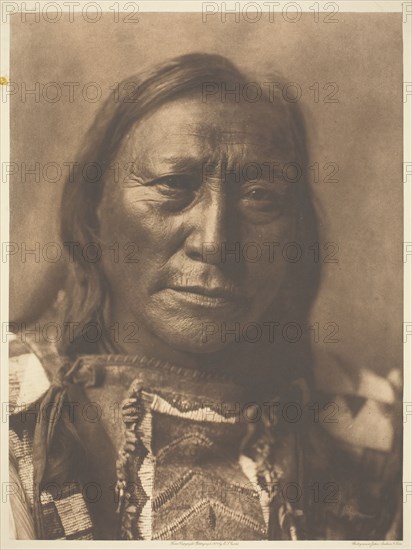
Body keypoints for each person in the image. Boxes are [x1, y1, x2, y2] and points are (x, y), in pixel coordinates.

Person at [8, 53, 402, 540]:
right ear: (92, 217)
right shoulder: (18, 421)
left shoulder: (380, 432)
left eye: (260, 195)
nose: (216, 243)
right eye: (174, 185)